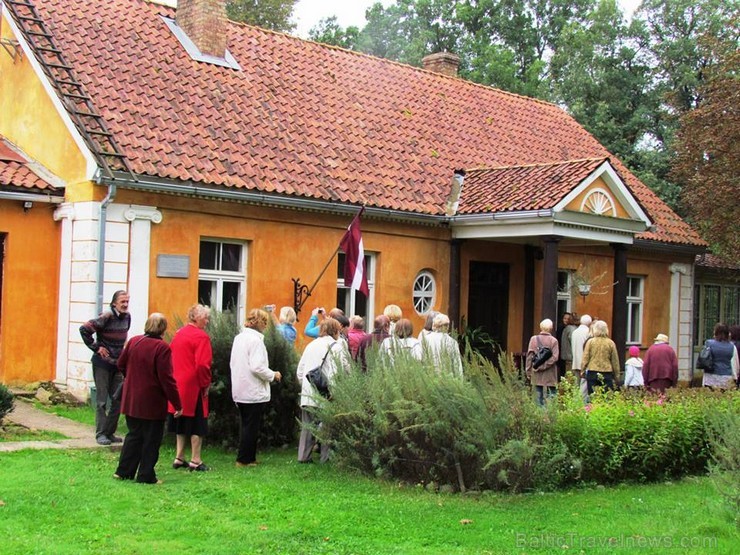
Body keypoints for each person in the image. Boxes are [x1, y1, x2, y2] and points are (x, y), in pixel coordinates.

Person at [114, 313, 182, 484]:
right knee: (151, 439)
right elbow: (166, 379)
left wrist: (131, 379)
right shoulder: (162, 348)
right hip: (152, 401)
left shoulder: (134, 341)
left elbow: (121, 364)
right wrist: (177, 404)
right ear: (163, 328)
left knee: (134, 435)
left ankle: (123, 471)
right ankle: (146, 475)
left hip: (132, 398)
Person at [230, 309, 282, 467]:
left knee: (246, 424)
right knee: (251, 426)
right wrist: (273, 375)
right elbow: (257, 367)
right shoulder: (256, 341)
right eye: (264, 322)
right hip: (252, 389)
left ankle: (249, 457)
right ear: (258, 323)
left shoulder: (239, 338)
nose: (266, 325)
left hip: (240, 387)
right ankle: (244, 459)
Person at [79, 290, 131, 445]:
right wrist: (96, 348)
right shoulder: (106, 316)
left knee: (118, 399)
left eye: (127, 301)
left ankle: (110, 432)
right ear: (114, 303)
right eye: (122, 301)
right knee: (102, 401)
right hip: (102, 364)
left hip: (117, 364)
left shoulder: (127, 317)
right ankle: (101, 434)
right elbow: (84, 329)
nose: (125, 304)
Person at [296, 318, 349, 463]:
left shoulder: (311, 345)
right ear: (336, 330)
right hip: (327, 393)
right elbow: (340, 371)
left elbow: (300, 371)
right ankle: (326, 458)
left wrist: (306, 386)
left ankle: (303, 457)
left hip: (308, 391)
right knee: (327, 426)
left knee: (307, 426)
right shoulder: (337, 347)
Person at [168, 304, 213, 472]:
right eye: (205, 318)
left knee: (181, 421)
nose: (207, 321)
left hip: (178, 383)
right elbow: (203, 364)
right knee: (198, 423)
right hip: (193, 385)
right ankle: (196, 459)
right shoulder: (201, 337)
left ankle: (179, 456)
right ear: (196, 318)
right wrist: (205, 384)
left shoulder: (179, 334)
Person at [525, 319, 559, 406]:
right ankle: (550, 414)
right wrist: (545, 365)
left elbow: (529, 356)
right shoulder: (554, 341)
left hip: (536, 370)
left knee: (537, 394)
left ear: (540, 327)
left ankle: (539, 414)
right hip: (550, 371)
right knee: (552, 394)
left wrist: (528, 371)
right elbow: (555, 357)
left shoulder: (533, 339)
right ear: (551, 328)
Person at [581, 320, 620, 394]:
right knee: (606, 397)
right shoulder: (610, 343)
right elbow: (615, 360)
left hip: (592, 371)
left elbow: (585, 358)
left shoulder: (590, 342)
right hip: (607, 372)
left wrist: (582, 371)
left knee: (592, 396)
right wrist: (617, 375)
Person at [701, 323, 739, 389]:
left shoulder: (709, 343)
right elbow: (735, 364)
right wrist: (735, 377)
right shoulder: (732, 347)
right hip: (726, 378)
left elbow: (703, 359)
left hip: (710, 377)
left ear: (715, 332)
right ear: (728, 333)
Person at [570, 314, 593, 402]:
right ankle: (583, 404)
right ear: (590, 323)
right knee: (584, 388)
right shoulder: (588, 333)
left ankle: (575, 403)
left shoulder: (575, 332)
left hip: (575, 362)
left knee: (577, 385)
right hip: (585, 364)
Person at [560, 312, 577, 380]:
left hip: (566, 356)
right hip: (570, 357)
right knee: (570, 378)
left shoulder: (566, 328)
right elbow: (573, 342)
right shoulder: (571, 329)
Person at [555, 312, 571, 380]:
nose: (566, 320)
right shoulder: (560, 328)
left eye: (568, 319)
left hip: (567, 353)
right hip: (561, 351)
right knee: (561, 370)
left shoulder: (570, 329)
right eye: (565, 318)